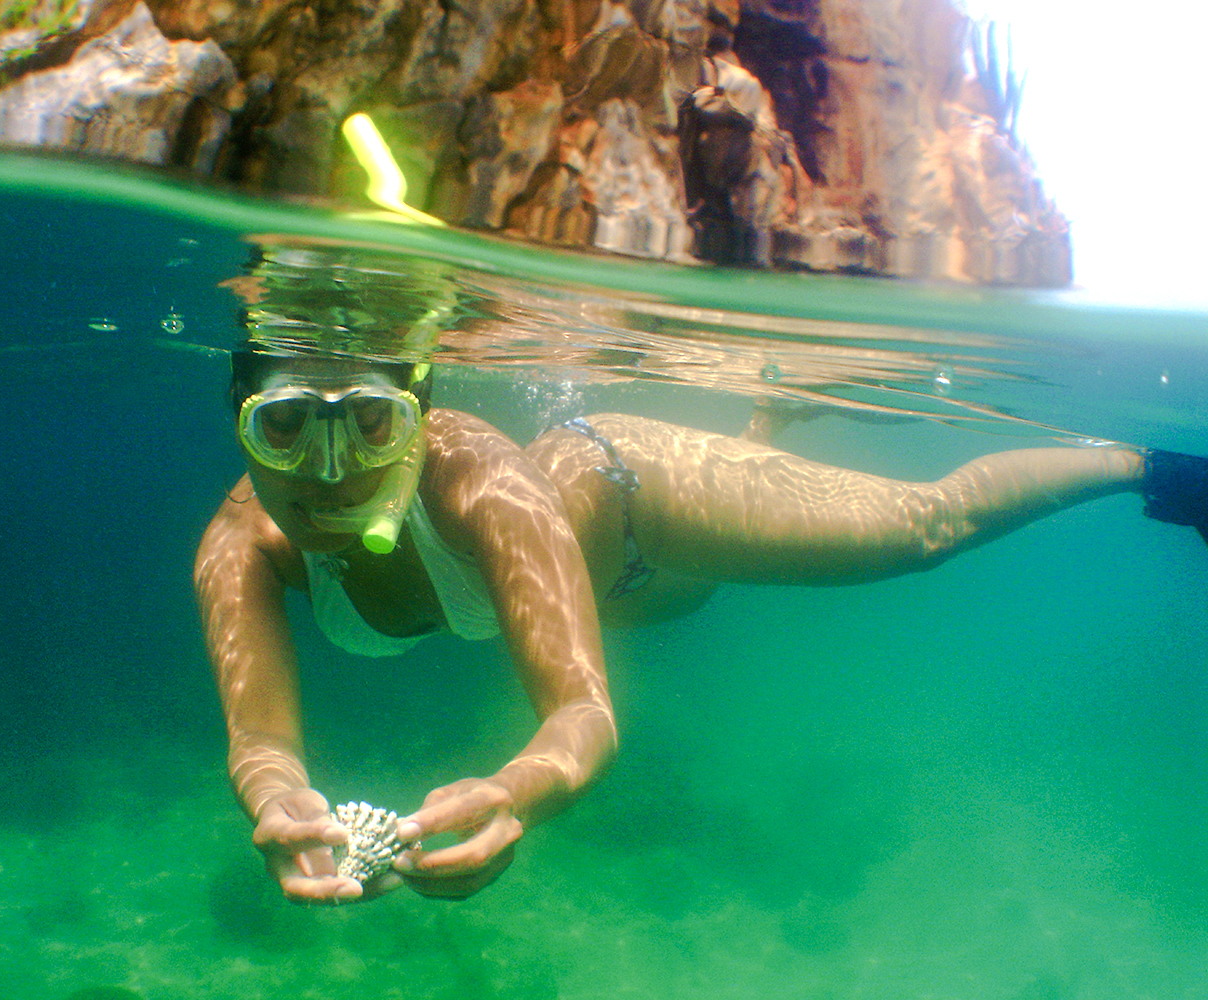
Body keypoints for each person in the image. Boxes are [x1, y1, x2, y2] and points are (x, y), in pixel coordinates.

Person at [193, 252, 1208, 905]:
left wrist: (517, 790)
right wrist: (277, 802)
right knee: (700, 596)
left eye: (372, 421)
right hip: (637, 600)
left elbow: (581, 711)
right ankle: (764, 417)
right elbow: (264, 742)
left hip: (636, 500)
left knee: (920, 525)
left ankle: (1147, 469)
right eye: (283, 427)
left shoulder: (485, 489)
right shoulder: (236, 546)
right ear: (239, 419)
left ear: (420, 406)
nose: (331, 472)